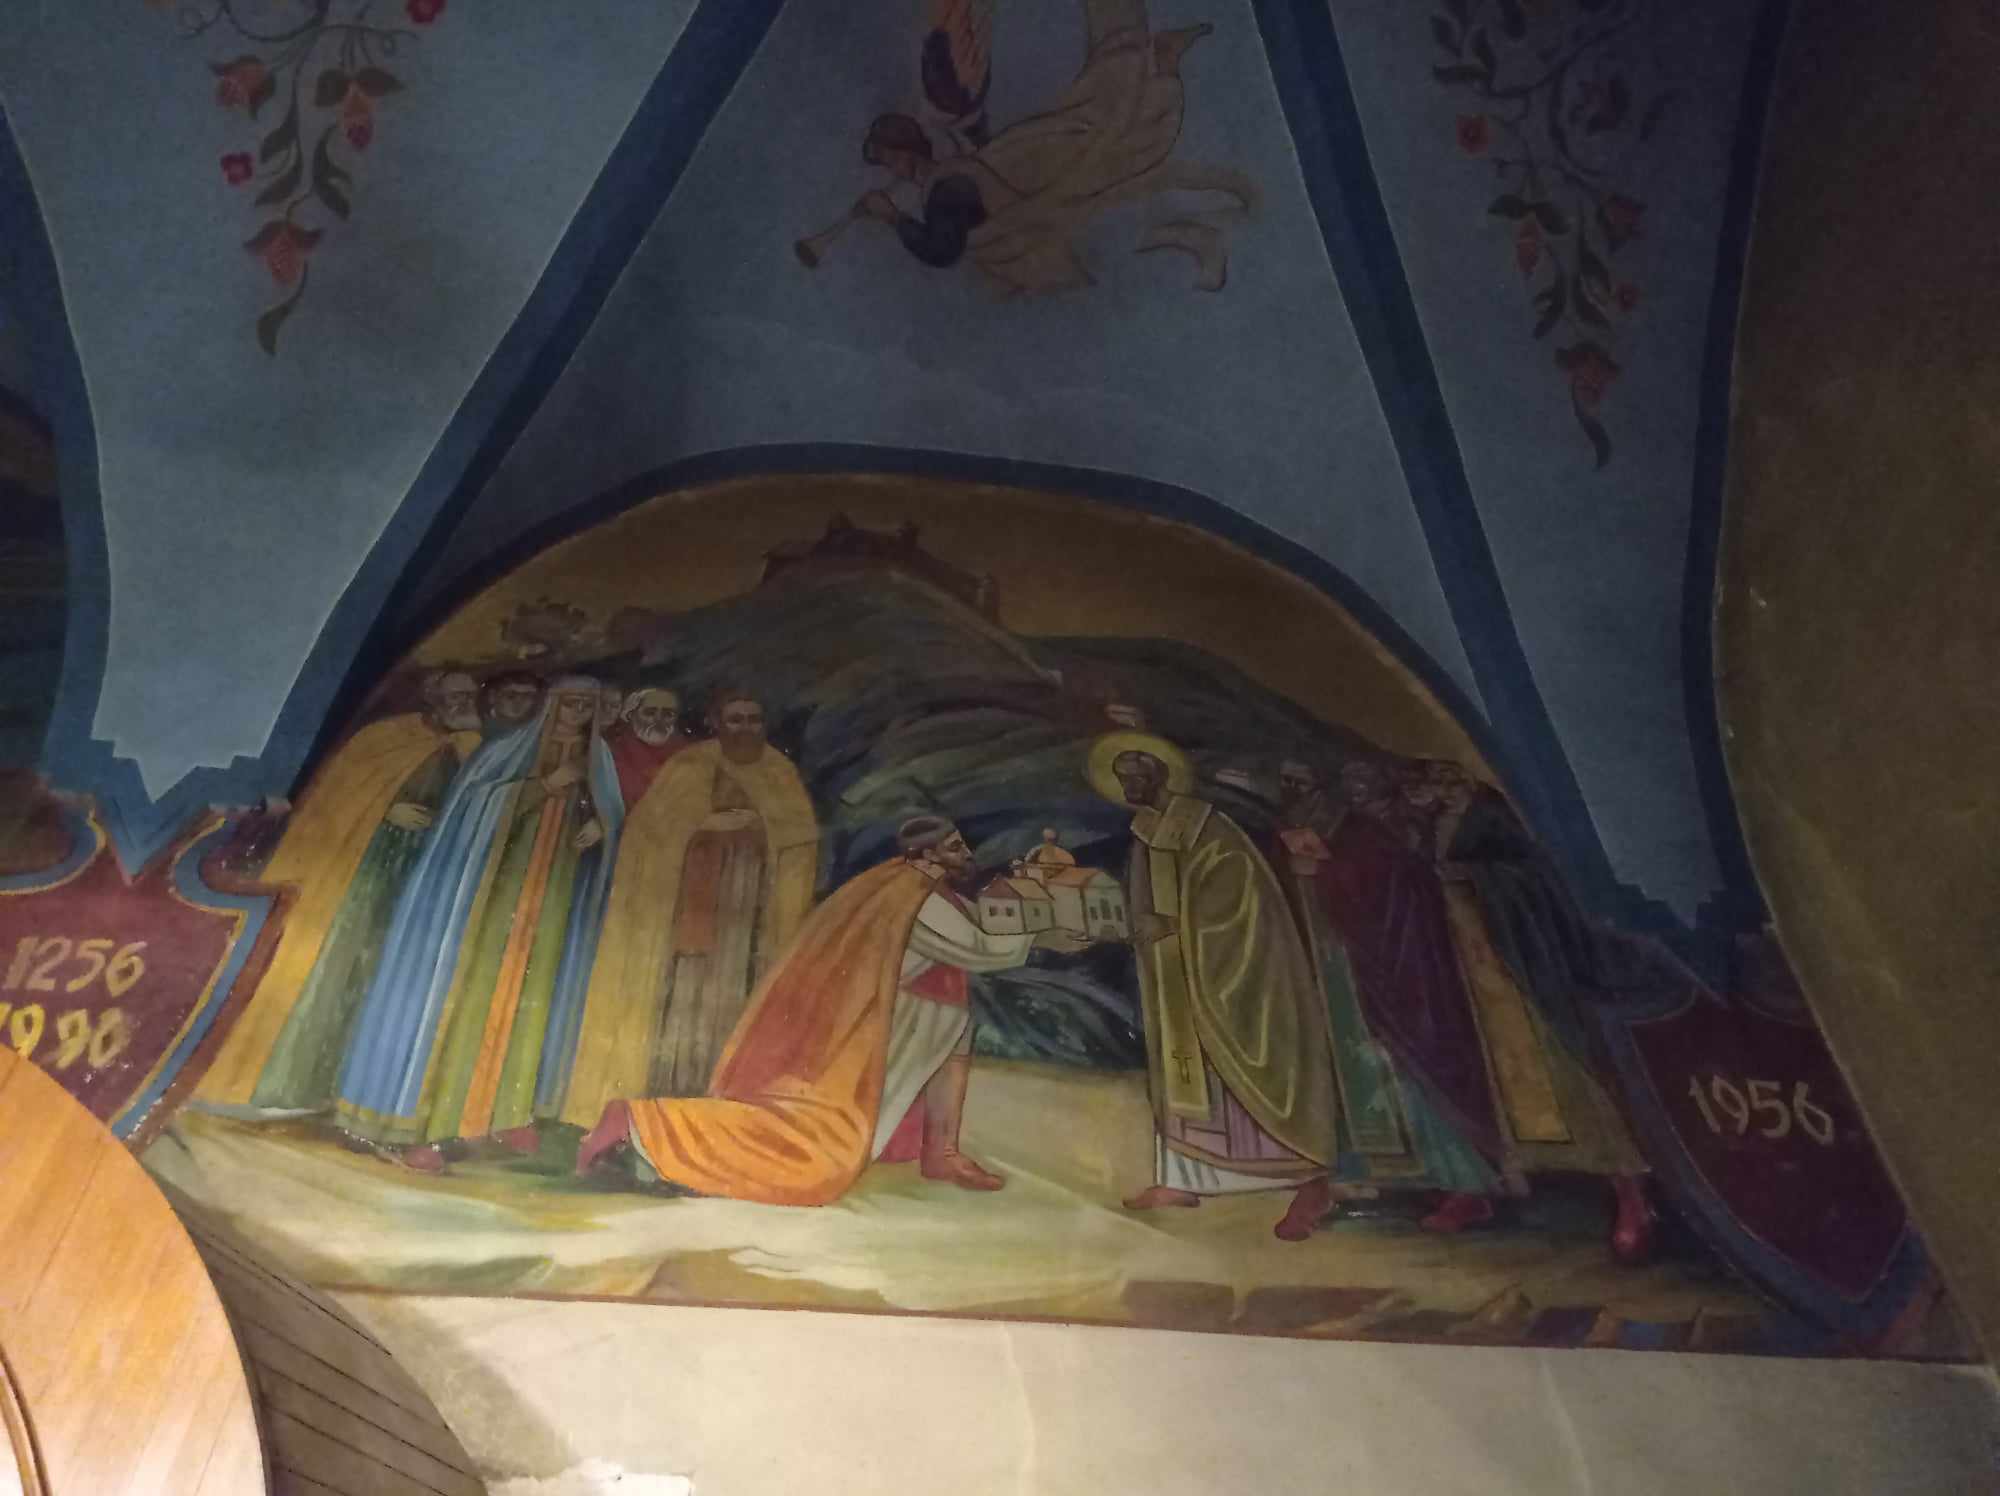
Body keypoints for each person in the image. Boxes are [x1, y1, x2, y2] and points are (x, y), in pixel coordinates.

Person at [573, 816, 1080, 1202]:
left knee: (949, 1038)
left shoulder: (912, 886)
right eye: (953, 847)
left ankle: (940, 1152)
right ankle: (646, 1124)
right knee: (819, 1156)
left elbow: (975, 925)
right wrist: (1045, 934)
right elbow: (978, 946)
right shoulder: (911, 895)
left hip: (909, 1011)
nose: (964, 854)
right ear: (925, 853)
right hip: (878, 1024)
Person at [331, 675, 609, 1170]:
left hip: (551, 900)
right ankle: (437, 1126)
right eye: (570, 702)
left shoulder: (597, 763)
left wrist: (600, 821)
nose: (578, 713)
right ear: (551, 704)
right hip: (482, 903)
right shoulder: (506, 752)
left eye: (588, 705)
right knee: (467, 1002)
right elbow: (471, 808)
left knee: (529, 1000)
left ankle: (505, 1115)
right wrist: (544, 786)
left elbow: (609, 814)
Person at [1087, 732, 1337, 1241]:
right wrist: (1141, 928)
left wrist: (1176, 925)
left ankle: (1303, 1177)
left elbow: (1238, 892)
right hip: (1173, 973)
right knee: (1182, 1068)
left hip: (1226, 968)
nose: (1128, 786)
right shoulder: (1147, 831)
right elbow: (1143, 900)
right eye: (1121, 778)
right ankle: (1182, 1177)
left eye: (1135, 776)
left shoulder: (1209, 826)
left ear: (1160, 775)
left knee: (1245, 1063)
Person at [196, 670, 483, 1112]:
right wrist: (387, 811)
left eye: (470, 695)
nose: (464, 702)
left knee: (365, 977)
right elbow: (335, 801)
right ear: (432, 697)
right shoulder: (384, 739)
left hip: (409, 878)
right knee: (322, 966)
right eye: (455, 695)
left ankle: (318, 1089)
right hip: (354, 870)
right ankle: (270, 1084)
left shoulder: (467, 746)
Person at [1411, 759, 1656, 1261]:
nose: (1431, 788)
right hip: (1469, 973)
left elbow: (1539, 876)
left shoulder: (1493, 814)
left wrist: (1476, 877)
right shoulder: (1430, 822)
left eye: (1439, 778)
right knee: (1488, 1081)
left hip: (1520, 967)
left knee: (1570, 1073)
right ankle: (1482, 1190)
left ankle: (1632, 1196)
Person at [853, 0, 1254, 293]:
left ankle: (1150, 66)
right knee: (1102, 135)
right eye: (888, 162)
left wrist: (892, 216)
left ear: (907, 152)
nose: (893, 168)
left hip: (1046, 191)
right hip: (1038, 176)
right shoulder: (948, 175)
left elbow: (942, 249)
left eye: (890, 158)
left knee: (1107, 144)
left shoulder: (945, 190)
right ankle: (1150, 65)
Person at [558, 689, 819, 1129]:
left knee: (738, 1001)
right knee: (682, 1001)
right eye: (735, 719)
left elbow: (800, 842)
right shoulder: (690, 766)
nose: (744, 728)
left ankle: (726, 1099)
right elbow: (648, 833)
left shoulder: (779, 771)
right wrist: (704, 824)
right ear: (717, 723)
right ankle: (667, 1097)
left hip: (751, 917)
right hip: (692, 908)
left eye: (752, 719)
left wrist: (762, 832)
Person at [1276, 757, 1512, 1232]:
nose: (1358, 790)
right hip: (1360, 974)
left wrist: (1324, 869)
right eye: (1350, 782)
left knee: (1422, 1069)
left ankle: (1466, 1185)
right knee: (1364, 1074)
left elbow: (1394, 884)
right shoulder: (1353, 830)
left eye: (1366, 780)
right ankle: (1372, 1179)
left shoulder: (1396, 831)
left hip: (1411, 974)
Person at [533, 685, 692, 1127]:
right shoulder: (608, 752)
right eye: (650, 711)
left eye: (668, 713)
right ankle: (568, 1098)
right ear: (631, 713)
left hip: (665, 889)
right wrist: (602, 823)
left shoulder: (690, 760)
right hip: (601, 882)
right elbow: (589, 803)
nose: (659, 720)